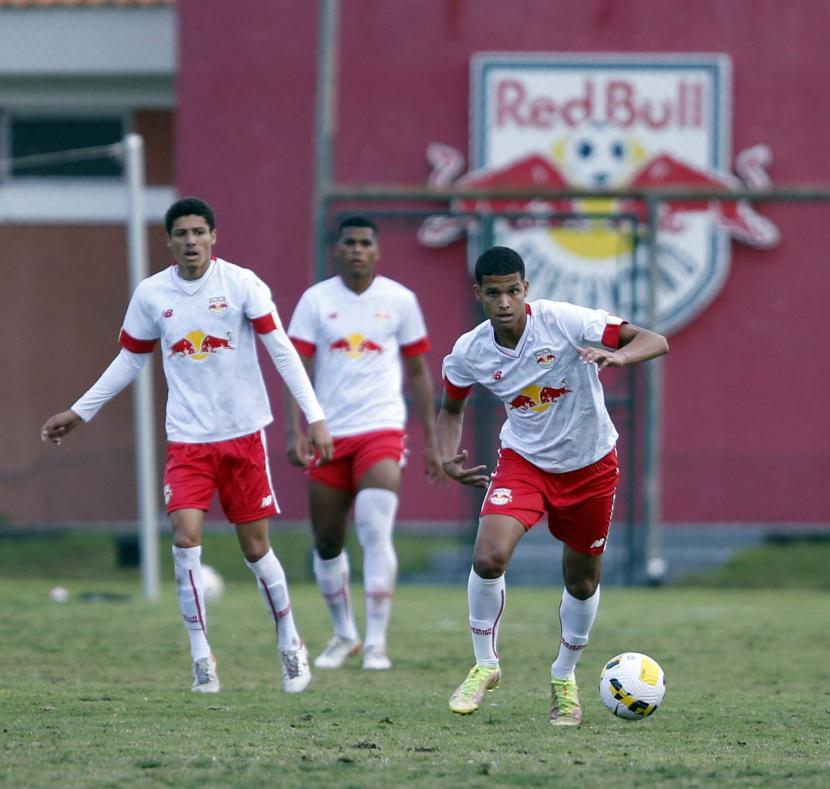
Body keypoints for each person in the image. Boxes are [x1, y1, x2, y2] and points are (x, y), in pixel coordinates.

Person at [40, 197, 333, 695]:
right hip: (188, 441)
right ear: (170, 240)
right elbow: (129, 360)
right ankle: (202, 655)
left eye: (199, 232)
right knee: (184, 538)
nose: (191, 241)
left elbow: (281, 350)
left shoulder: (242, 284)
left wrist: (316, 416)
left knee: (255, 548)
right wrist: (80, 410)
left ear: (214, 236)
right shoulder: (153, 294)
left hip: (243, 438)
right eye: (182, 234)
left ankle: (290, 643)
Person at [437, 245, 668, 726]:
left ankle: (564, 679)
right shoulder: (470, 350)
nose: (505, 302)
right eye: (494, 293)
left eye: (513, 291)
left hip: (591, 465)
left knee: (582, 581)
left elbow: (655, 339)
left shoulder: (563, 321)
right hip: (525, 463)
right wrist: (446, 455)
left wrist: (619, 357)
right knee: (488, 556)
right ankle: (485, 665)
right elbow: (452, 407)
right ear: (479, 294)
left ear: (527, 290)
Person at [284, 214, 443, 671]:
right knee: (328, 543)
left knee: (375, 529)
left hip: (382, 429)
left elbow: (418, 371)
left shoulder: (399, 300)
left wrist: (432, 443)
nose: (356, 250)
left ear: (377, 251)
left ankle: (376, 642)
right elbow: (294, 369)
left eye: (365, 243)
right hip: (328, 434)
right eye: (349, 242)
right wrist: (296, 430)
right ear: (337, 249)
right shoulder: (316, 301)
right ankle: (344, 633)